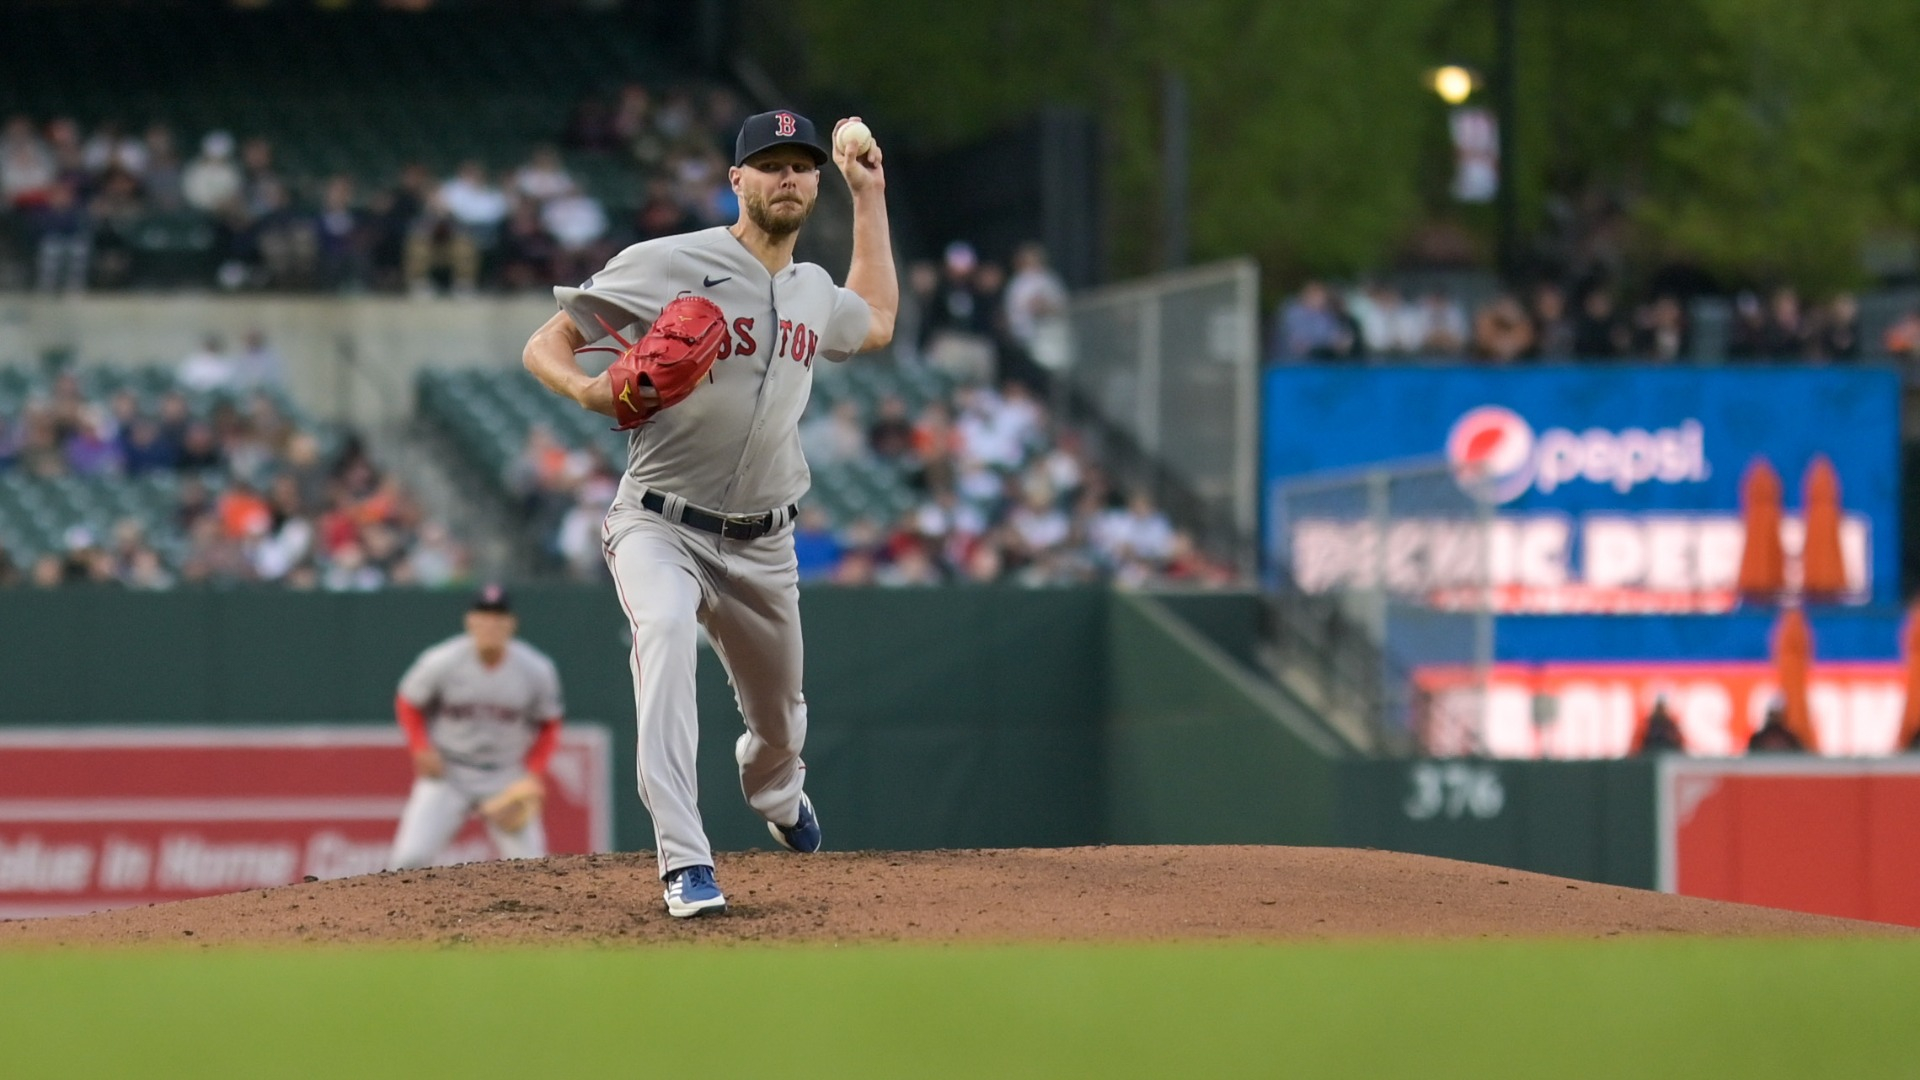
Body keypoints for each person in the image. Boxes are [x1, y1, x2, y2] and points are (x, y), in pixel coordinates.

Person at [521, 109, 897, 918]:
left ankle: (776, 790)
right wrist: (586, 387)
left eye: (801, 166)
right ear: (738, 181)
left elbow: (880, 320)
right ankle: (685, 864)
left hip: (766, 543)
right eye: (770, 164)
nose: (788, 177)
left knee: (781, 722)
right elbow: (544, 343)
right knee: (661, 637)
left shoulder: (811, 291)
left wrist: (869, 197)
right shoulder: (668, 262)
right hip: (660, 523)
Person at [388, 585, 565, 870]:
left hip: (505, 776)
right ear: (470, 621)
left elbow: (550, 724)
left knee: (534, 868)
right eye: (483, 616)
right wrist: (420, 748)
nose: (490, 624)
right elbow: (408, 702)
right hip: (449, 772)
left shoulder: (536, 669)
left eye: (498, 617)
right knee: (408, 861)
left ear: (512, 623)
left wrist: (534, 773)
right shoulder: (442, 661)